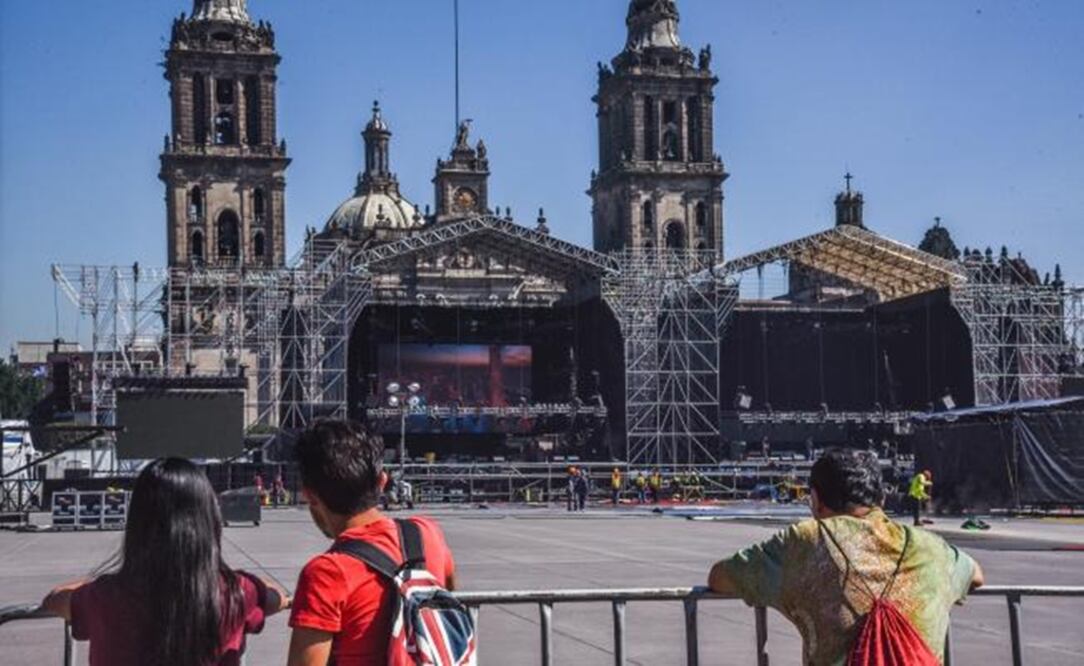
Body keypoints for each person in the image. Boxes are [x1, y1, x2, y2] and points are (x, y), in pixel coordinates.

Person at [708, 449, 983, 666]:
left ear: (815, 500)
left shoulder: (805, 542)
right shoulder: (931, 548)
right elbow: (976, 575)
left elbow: (721, 577)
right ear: (881, 499)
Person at [40, 458, 290, 666]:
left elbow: (54, 600)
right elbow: (276, 597)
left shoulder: (105, 595)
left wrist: (103, 581)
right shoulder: (237, 592)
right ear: (208, 520)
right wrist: (227, 576)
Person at [288, 420, 456, 666]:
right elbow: (448, 592)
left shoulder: (326, 573)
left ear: (310, 495)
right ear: (382, 481)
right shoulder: (426, 533)